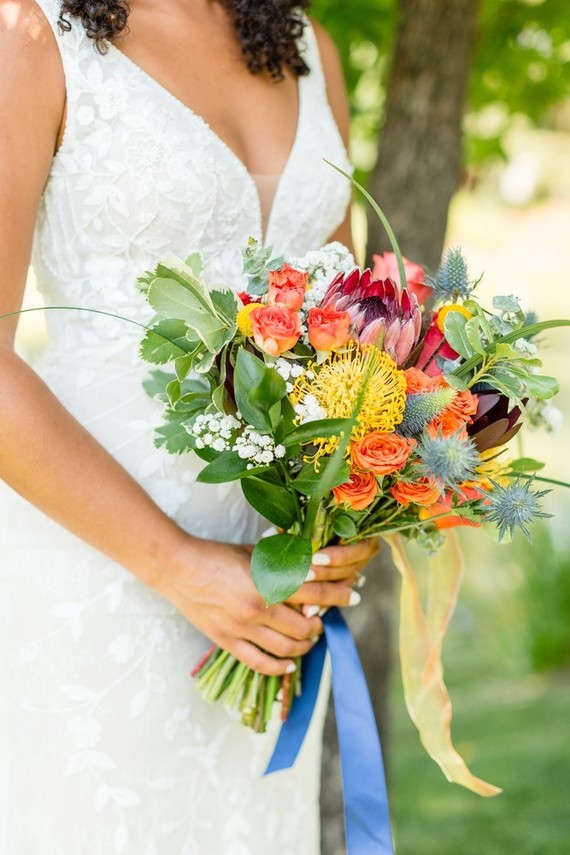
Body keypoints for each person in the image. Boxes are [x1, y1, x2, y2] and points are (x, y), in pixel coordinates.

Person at [0, 1, 377, 851]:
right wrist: (182, 569)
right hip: (98, 575)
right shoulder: (30, 35)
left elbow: (354, 322)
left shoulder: (306, 42)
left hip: (276, 603)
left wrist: (359, 503)